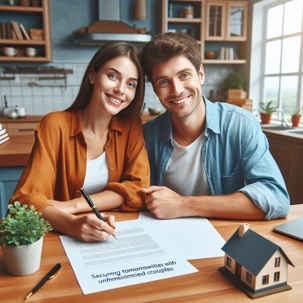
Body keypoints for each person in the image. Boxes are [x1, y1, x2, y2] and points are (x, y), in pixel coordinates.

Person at [140, 32, 289, 220]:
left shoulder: (241, 125)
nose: (177, 90)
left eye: (184, 75)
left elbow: (276, 198)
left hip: (228, 239)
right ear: (155, 89)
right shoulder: (147, 136)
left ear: (200, 74)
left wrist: (183, 205)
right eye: (163, 82)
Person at [10, 41, 150, 242]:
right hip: (60, 240)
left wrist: (72, 206)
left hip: (109, 234)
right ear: (92, 76)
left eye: (131, 84)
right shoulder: (55, 125)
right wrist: (73, 224)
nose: (120, 89)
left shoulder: (131, 126)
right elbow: (24, 202)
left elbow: (138, 189)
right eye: (112, 76)